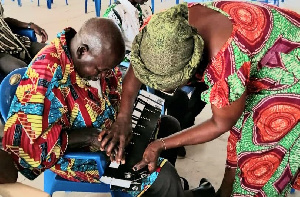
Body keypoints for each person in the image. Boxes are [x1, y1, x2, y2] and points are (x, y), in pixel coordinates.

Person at [99, 1, 300, 197]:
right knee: (238, 143)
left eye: (169, 85)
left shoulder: (225, 60)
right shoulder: (161, 33)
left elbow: (220, 123)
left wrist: (160, 144)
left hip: (290, 68)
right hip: (260, 50)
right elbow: (137, 68)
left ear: (191, 67)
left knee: (256, 161)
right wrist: (123, 118)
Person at [0, 17, 209, 197]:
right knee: (165, 178)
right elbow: (26, 147)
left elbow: (114, 88)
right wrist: (91, 136)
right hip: (82, 155)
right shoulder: (45, 79)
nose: (102, 75)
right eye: (100, 70)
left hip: (110, 132)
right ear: (82, 51)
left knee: (170, 126)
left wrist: (124, 122)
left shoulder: (91, 55)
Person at [103, 0, 196, 159]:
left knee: (179, 98)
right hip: (129, 67)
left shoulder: (145, 8)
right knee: (136, 99)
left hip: (151, 66)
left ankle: (174, 140)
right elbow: (109, 55)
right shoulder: (115, 13)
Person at [0, 2, 48, 76]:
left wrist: (30, 25)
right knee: (23, 72)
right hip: (1, 54)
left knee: (51, 51)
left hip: (15, 42)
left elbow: (4, 20)